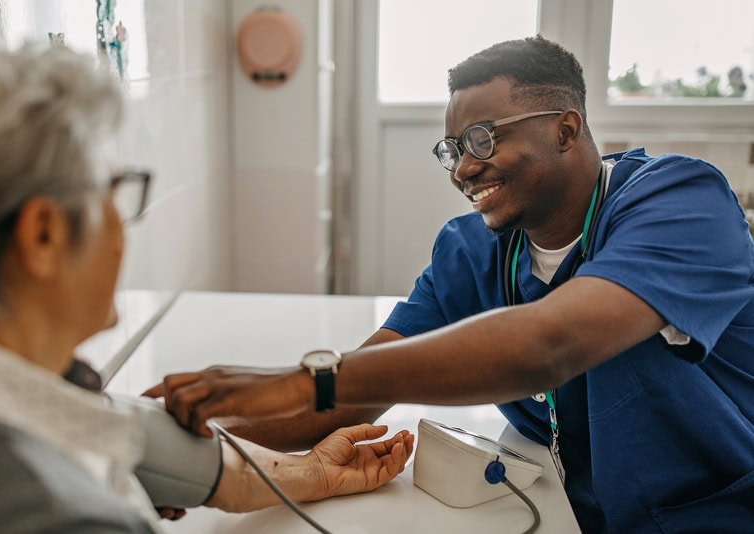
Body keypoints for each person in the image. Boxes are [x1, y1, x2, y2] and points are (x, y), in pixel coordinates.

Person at [0, 27, 414, 533]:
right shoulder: (52, 515)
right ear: (42, 235)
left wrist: (311, 472)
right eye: (114, 190)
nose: (124, 225)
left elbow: (137, 438)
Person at [152, 36, 754, 533]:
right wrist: (181, 456)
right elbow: (357, 394)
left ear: (566, 130)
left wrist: (305, 377)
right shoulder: (468, 251)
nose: (464, 168)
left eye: (483, 139)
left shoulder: (682, 203)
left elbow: (552, 344)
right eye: (452, 150)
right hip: (570, 512)